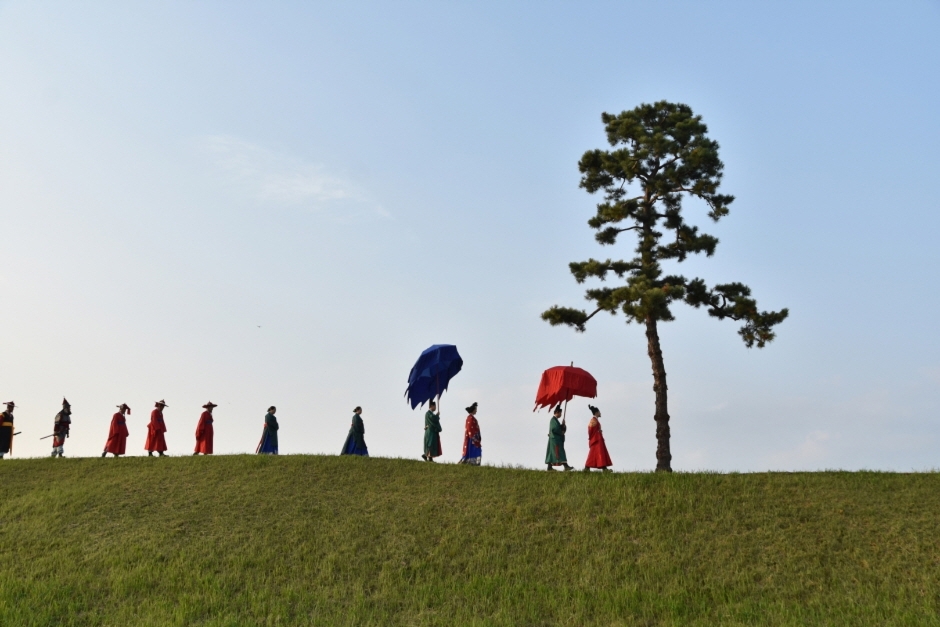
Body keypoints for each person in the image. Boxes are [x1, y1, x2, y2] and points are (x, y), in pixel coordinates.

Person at [584, 405, 613, 472]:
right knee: (599, 453)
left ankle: (589, 467)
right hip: (596, 439)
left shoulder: (595, 420)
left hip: (597, 438)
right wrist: (597, 433)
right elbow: (590, 430)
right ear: (596, 412)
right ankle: (589, 467)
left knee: (598, 453)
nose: (600, 413)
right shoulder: (593, 420)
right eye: (599, 412)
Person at [545, 405, 573, 471]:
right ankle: (565, 466)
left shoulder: (555, 420)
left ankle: (550, 467)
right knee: (558, 452)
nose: (560, 414)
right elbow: (554, 429)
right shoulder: (553, 420)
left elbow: (558, 428)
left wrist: (563, 425)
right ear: (557, 412)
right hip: (555, 440)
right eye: (560, 413)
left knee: (553, 453)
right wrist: (561, 431)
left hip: (556, 440)